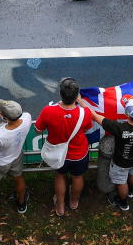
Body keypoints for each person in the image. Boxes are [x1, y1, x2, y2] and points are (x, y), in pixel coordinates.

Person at [81, 86, 133, 211]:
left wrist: (79, 100)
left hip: (120, 162)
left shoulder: (119, 128)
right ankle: (132, 189)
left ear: (126, 114)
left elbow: (94, 115)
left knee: (121, 182)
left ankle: (124, 202)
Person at [35, 77, 94, 216]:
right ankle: (74, 202)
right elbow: (86, 128)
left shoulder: (48, 111)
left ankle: (60, 206)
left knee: (60, 176)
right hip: (79, 153)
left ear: (60, 94)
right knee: (77, 177)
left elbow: (38, 129)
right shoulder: (85, 113)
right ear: (77, 95)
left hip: (58, 153)